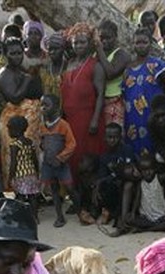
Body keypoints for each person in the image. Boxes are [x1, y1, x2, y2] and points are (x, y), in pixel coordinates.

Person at [61, 23, 106, 179]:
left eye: (82, 42)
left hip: (88, 119)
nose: (78, 46)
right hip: (71, 120)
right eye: (75, 42)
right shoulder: (69, 64)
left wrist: (94, 119)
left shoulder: (95, 66)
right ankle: (77, 197)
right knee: (73, 156)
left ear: (89, 44)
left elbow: (101, 94)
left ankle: (92, 197)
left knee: (88, 157)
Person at [122, 27, 165, 157]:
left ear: (150, 44)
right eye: (137, 43)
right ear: (133, 44)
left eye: (144, 42)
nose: (140, 46)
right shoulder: (128, 69)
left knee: (156, 154)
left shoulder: (157, 65)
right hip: (132, 121)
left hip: (153, 119)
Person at [0, 36, 43, 186]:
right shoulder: (5, 74)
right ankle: (17, 190)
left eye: (19, 53)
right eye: (12, 53)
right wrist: (27, 80)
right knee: (16, 159)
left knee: (30, 158)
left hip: (28, 123)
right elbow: (15, 97)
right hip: (15, 123)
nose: (17, 57)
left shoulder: (22, 70)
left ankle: (33, 190)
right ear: (5, 54)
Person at [38, 94, 77, 227]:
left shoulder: (63, 125)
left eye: (46, 105)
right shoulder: (43, 126)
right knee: (54, 188)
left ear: (56, 108)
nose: (43, 108)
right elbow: (42, 142)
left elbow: (71, 144)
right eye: (41, 105)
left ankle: (80, 209)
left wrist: (60, 158)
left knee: (69, 187)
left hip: (61, 163)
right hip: (49, 163)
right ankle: (60, 216)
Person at [95, 20, 131, 130]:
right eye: (101, 38)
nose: (104, 41)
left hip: (114, 103)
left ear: (115, 37)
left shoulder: (122, 55)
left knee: (113, 136)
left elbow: (110, 73)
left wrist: (99, 50)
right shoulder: (95, 53)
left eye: (108, 38)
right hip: (97, 103)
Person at [6, 115, 40, 219]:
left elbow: (14, 163)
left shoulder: (15, 144)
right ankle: (35, 217)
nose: (8, 132)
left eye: (9, 129)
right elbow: (35, 159)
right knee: (32, 196)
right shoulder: (30, 142)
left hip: (20, 174)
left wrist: (10, 177)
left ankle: (20, 217)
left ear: (15, 130)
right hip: (31, 173)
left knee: (20, 196)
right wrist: (37, 172)